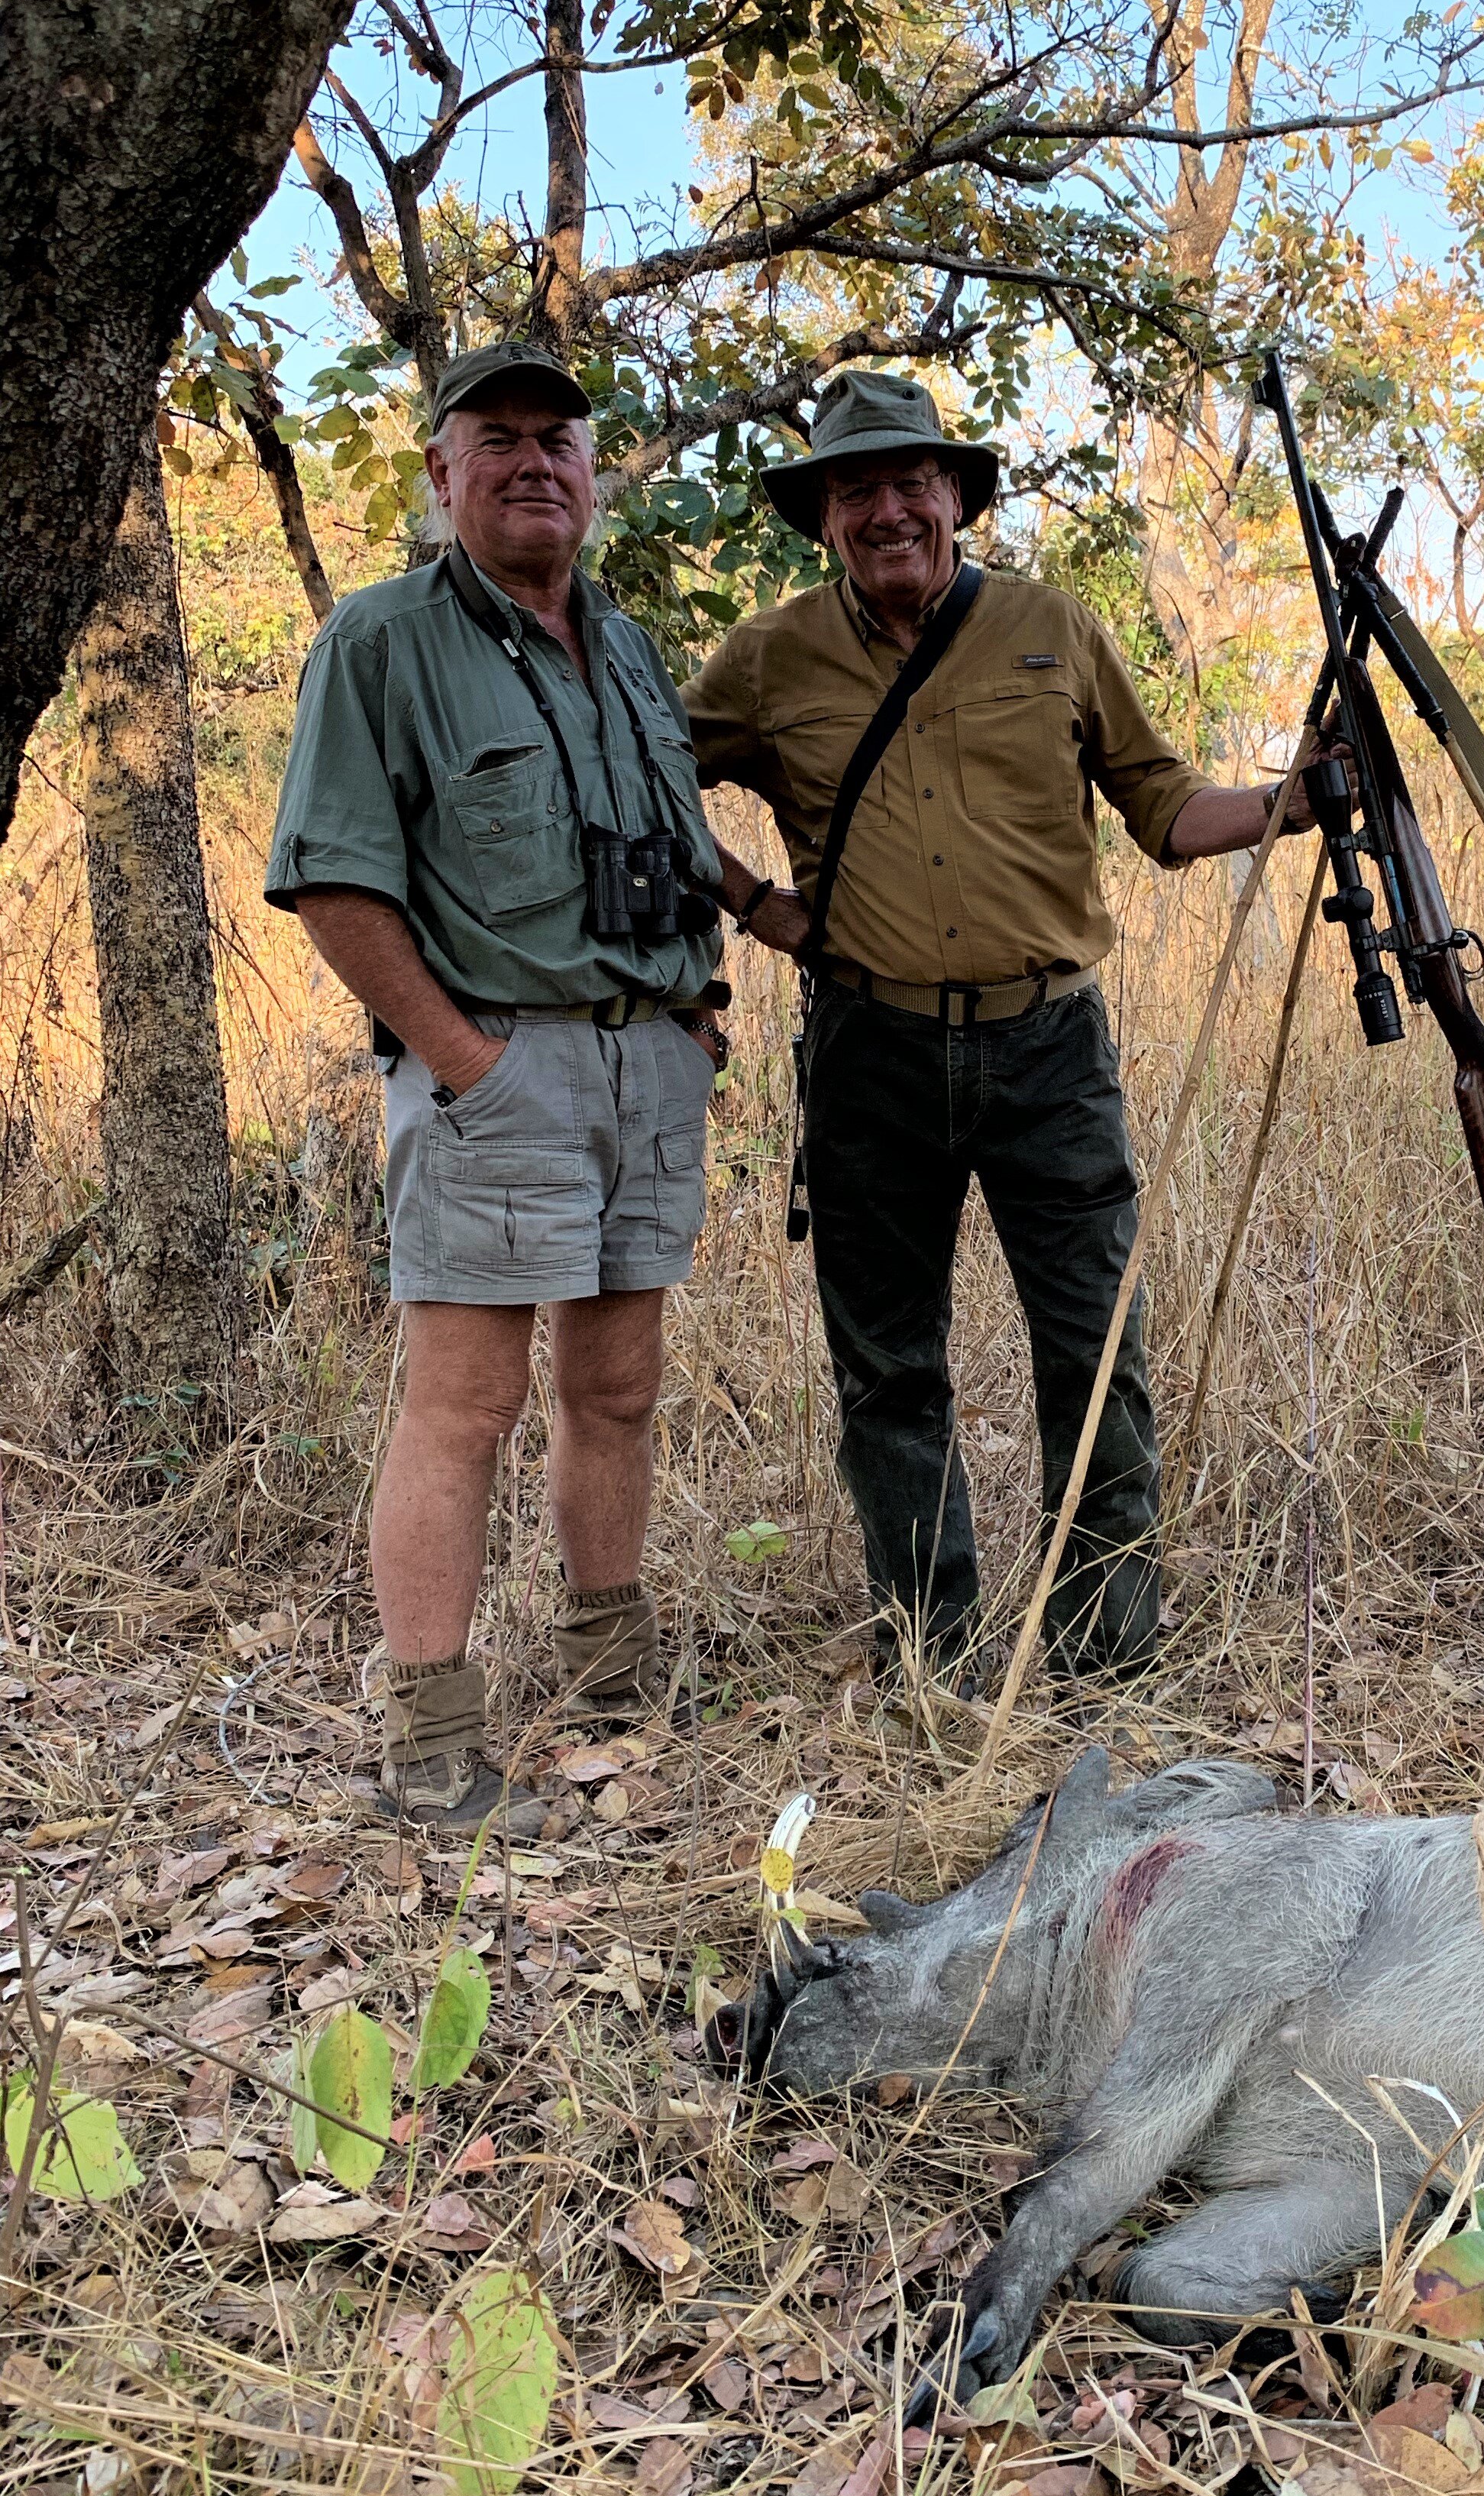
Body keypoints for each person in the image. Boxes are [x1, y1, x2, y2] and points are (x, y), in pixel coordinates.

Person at [682, 365, 1327, 1693]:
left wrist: (1294, 801)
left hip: (1050, 1050)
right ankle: (935, 1664)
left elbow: (1164, 808)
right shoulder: (767, 657)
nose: (887, 511)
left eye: (912, 482)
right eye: (855, 490)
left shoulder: (1052, 628)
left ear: (957, 496)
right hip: (869, 1050)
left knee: (1096, 1354)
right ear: (823, 518)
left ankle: (1103, 1660)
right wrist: (753, 903)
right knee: (889, 1371)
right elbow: (632, 775)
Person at [266, 341, 747, 1830]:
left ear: (594, 475)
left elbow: (664, 848)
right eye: (501, 440)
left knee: (616, 1388)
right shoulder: (383, 642)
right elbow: (332, 881)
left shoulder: (634, 647)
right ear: (445, 473)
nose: (535, 462)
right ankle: (432, 1738)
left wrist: (700, 1016)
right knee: (462, 1404)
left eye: (561, 440)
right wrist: (468, 1066)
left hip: (649, 1061)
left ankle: (612, 1670)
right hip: (494, 1065)